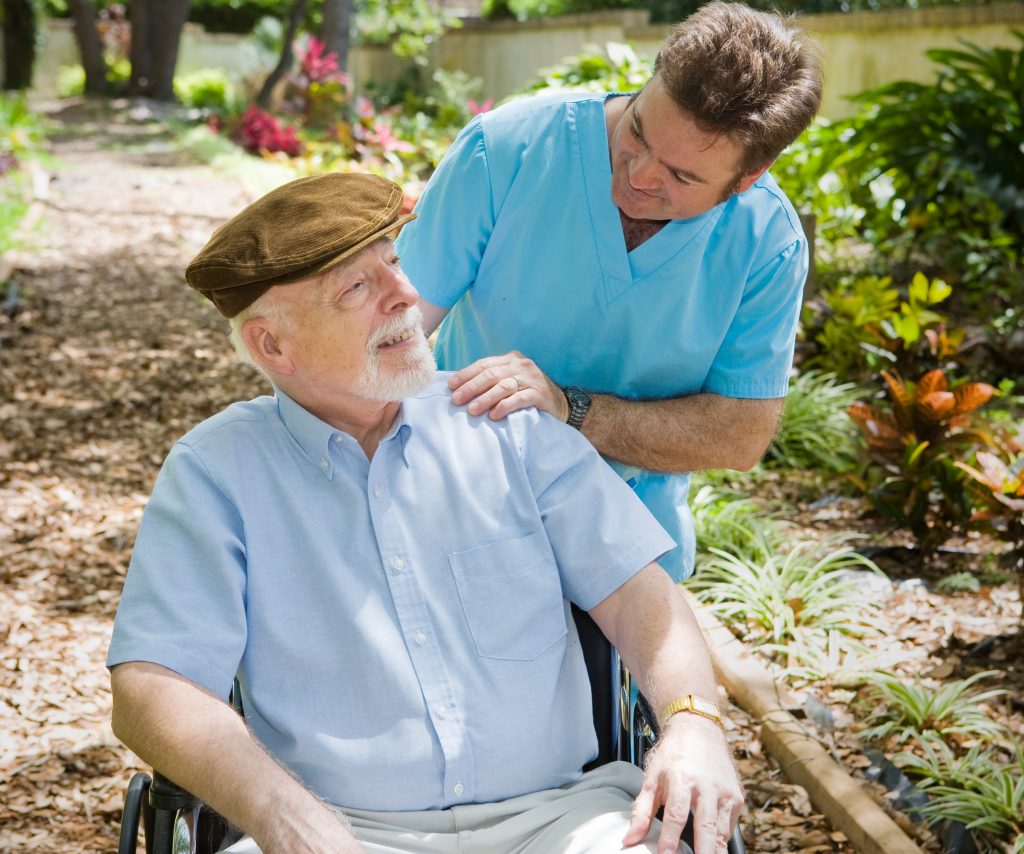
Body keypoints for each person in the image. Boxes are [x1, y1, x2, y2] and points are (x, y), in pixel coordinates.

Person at [107, 173, 743, 854]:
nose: (406, 296)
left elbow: (642, 595)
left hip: (564, 820)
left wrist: (694, 721)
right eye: (358, 288)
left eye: (394, 264)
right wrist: (283, 816)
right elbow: (152, 686)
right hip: (337, 831)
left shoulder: (505, 424)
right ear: (272, 347)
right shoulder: (215, 473)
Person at [395, 1, 824, 580]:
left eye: (681, 176)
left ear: (747, 179)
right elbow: (388, 331)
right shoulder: (503, 148)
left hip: (634, 546)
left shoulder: (766, 241)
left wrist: (569, 409)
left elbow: (739, 434)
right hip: (455, 506)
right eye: (639, 132)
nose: (640, 175)